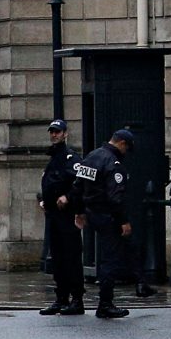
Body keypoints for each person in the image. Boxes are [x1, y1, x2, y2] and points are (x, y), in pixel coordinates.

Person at [73, 127, 137, 319]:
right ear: (122, 143)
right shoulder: (113, 162)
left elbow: (78, 186)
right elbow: (115, 198)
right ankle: (106, 303)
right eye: (127, 149)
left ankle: (105, 301)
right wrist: (124, 221)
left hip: (92, 214)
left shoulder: (92, 156)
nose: (126, 153)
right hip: (107, 216)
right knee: (110, 259)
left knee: (103, 257)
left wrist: (79, 211)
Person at [36, 119, 83, 316]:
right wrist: (43, 200)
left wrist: (68, 197)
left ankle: (77, 299)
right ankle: (61, 297)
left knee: (71, 256)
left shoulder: (71, 157)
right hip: (53, 215)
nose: (54, 135)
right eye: (52, 132)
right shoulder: (53, 158)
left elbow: (79, 182)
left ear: (65, 133)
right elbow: (48, 183)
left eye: (57, 132)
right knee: (57, 257)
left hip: (67, 215)